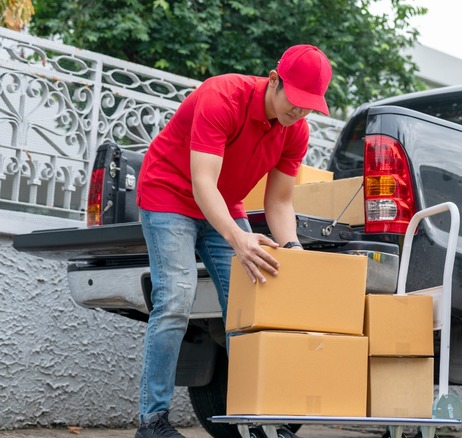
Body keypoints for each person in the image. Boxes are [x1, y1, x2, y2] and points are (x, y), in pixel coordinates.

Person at [133, 45, 333, 438]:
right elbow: (202, 182)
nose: (301, 111)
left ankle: (254, 417)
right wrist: (238, 238)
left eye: (310, 105)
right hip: (169, 195)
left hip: (225, 204)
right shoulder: (221, 97)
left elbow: (278, 201)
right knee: (176, 298)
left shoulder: (297, 130)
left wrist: (293, 249)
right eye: (296, 100)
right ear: (274, 80)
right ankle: (152, 421)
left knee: (249, 308)